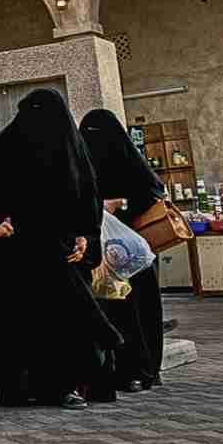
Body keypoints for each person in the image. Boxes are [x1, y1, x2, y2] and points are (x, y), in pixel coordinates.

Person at [0, 88, 121, 406]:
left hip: (60, 257)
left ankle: (60, 385)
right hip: (10, 262)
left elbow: (87, 208)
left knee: (61, 308)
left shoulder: (73, 157)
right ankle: (19, 385)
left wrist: (85, 239)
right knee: (20, 308)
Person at [78, 106, 168, 390]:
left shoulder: (125, 165)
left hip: (131, 254)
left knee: (136, 312)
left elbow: (151, 194)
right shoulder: (87, 164)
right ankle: (129, 370)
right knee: (123, 313)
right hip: (113, 255)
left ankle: (142, 370)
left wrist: (118, 205)